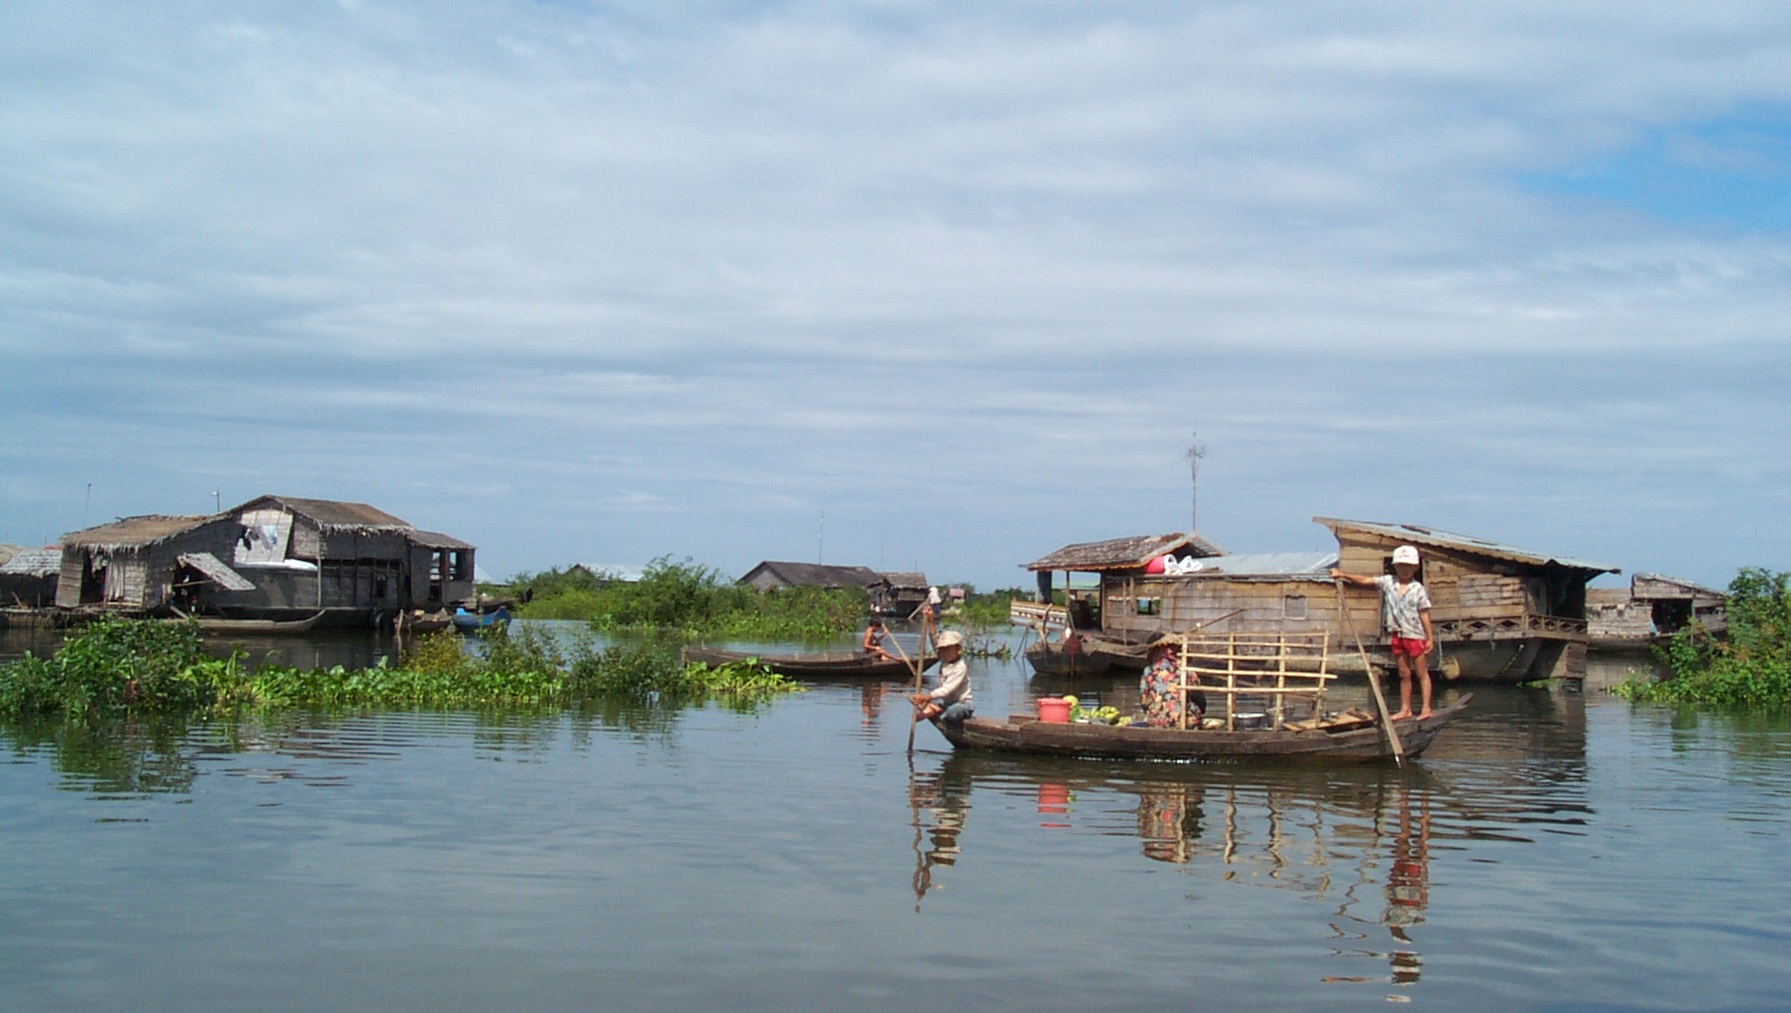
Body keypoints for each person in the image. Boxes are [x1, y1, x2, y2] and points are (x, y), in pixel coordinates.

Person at [1331, 544, 1435, 720]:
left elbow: (1424, 615)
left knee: (1421, 673)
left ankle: (1426, 708)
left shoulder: (1418, 589)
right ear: (1395, 566)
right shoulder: (1389, 582)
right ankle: (1405, 709)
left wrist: (1430, 638)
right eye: (1401, 566)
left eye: (1408, 566)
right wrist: (1342, 574)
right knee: (1404, 673)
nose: (1405, 570)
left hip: (1415, 635)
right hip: (1397, 635)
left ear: (1415, 567)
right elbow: (1365, 580)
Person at [1139, 632, 1206, 728]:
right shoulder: (1188, 672)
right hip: (1186, 723)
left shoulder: (1148, 671)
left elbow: (1144, 702)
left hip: (1157, 722)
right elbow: (1201, 704)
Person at [911, 630, 972, 723]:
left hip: (962, 705)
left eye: (948, 649)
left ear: (958, 650)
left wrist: (927, 697)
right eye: (942, 650)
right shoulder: (945, 661)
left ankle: (937, 710)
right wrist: (930, 621)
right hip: (946, 703)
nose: (944, 652)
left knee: (952, 713)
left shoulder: (960, 667)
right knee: (917, 706)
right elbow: (934, 640)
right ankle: (935, 709)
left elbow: (947, 689)